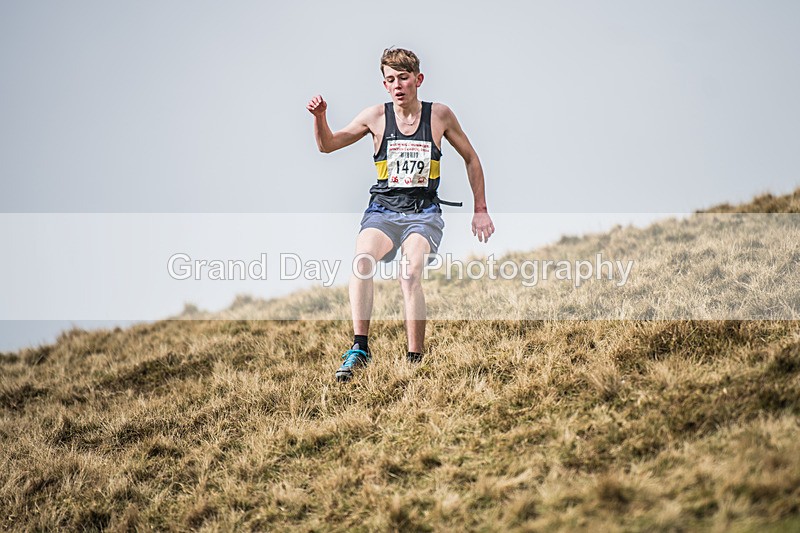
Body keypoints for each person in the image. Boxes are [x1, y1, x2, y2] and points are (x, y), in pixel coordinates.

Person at [306, 47, 494, 382]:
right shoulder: (375, 116)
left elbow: (471, 157)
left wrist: (480, 209)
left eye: (404, 78)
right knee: (361, 260)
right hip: (383, 211)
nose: (397, 85)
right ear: (384, 84)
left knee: (408, 275)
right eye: (390, 79)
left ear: (418, 80)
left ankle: (414, 360)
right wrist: (320, 118)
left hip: (423, 214)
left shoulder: (439, 116)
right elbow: (328, 145)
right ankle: (359, 348)